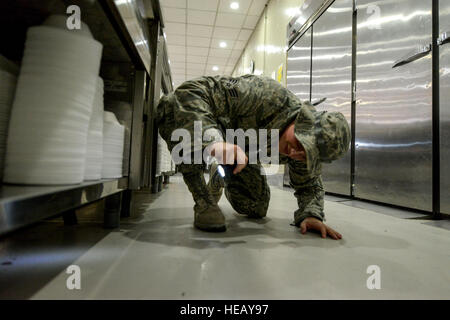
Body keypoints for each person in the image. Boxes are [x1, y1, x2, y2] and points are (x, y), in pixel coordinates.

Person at [156, 74, 350, 240]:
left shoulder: (300, 154)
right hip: (205, 125)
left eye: (306, 155)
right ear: (303, 121)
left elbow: (309, 185)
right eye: (300, 143)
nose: (295, 154)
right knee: (180, 116)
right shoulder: (267, 96)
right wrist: (215, 142)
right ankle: (203, 201)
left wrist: (311, 215)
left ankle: (220, 172)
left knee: (255, 206)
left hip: (242, 153)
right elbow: (191, 91)